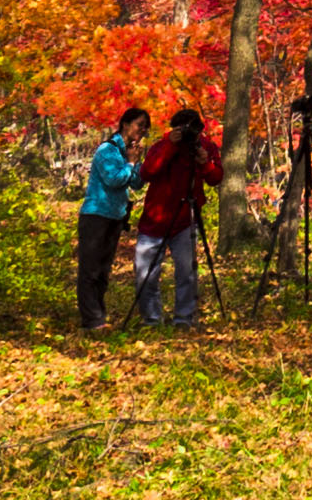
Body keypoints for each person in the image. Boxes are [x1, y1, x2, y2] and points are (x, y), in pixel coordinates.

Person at [131, 104, 223, 328]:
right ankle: (151, 319)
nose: (190, 135)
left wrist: (206, 163)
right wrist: (170, 145)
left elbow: (216, 178)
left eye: (194, 131)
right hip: (155, 218)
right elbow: (147, 172)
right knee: (145, 274)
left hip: (185, 218)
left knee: (186, 273)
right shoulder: (162, 145)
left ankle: (184, 319)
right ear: (174, 129)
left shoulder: (206, 147)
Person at [73, 108, 146, 332]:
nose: (142, 131)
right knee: (90, 269)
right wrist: (131, 164)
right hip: (96, 215)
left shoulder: (128, 153)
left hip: (115, 217)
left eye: (145, 128)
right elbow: (114, 179)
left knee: (103, 271)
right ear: (125, 124)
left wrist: (136, 163)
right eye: (139, 125)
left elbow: (135, 184)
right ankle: (92, 321)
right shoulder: (107, 150)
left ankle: (98, 317)